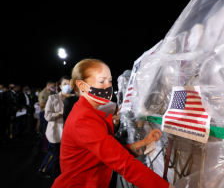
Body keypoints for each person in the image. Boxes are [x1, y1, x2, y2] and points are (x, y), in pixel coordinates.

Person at [52, 59, 172, 188]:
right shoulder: (83, 119)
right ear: (82, 86)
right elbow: (123, 163)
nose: (108, 86)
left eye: (109, 81)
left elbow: (108, 151)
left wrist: (143, 142)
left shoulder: (90, 111)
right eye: (101, 81)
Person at [44, 76, 73, 180]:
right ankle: (57, 181)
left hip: (72, 134)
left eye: (70, 83)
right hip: (56, 134)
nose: (67, 86)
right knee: (57, 159)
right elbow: (47, 116)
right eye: (65, 84)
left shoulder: (76, 98)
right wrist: (60, 113)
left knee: (70, 159)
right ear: (60, 86)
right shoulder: (53, 98)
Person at [38, 81, 55, 152]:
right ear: (48, 85)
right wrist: (52, 106)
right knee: (46, 132)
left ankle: (40, 142)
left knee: (47, 131)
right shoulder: (44, 93)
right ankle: (45, 147)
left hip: (48, 113)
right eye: (53, 86)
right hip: (45, 113)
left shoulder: (50, 92)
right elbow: (42, 104)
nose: (53, 88)